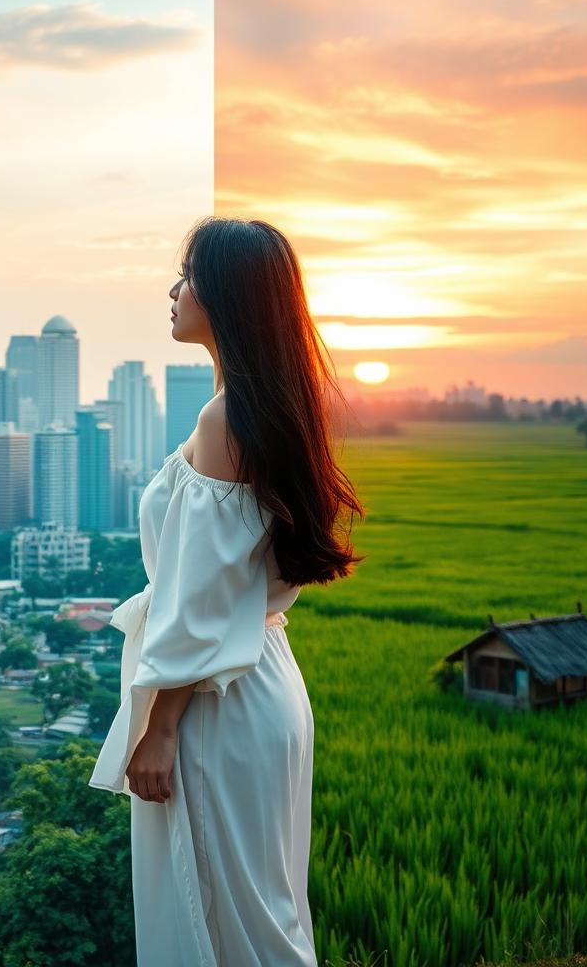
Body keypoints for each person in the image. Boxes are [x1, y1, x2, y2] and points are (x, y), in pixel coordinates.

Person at [88, 216, 365, 966]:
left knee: (227, 921)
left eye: (190, 275)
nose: (174, 290)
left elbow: (198, 592)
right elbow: (228, 582)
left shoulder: (227, 418)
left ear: (232, 296)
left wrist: (163, 725)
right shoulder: (266, 406)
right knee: (261, 916)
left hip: (215, 703)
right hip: (256, 681)